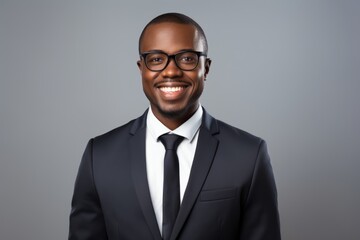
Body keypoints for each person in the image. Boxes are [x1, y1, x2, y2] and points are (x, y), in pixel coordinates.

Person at [69, 12, 281, 240]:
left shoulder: (249, 155)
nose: (171, 71)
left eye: (187, 58)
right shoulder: (99, 156)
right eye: (157, 59)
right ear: (142, 68)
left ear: (206, 68)